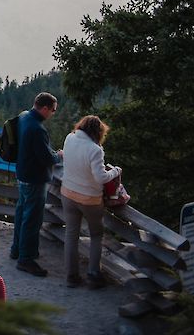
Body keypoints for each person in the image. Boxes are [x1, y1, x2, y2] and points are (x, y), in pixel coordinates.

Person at [61, 115, 121, 289]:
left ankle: (71, 277)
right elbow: (101, 177)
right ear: (98, 132)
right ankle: (94, 275)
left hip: (68, 193)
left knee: (71, 235)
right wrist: (115, 171)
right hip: (89, 199)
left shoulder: (69, 138)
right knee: (96, 235)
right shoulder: (95, 149)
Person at [10, 92, 63, 276]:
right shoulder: (38, 129)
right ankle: (26, 259)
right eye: (53, 110)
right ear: (45, 108)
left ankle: (16, 249)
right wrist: (59, 155)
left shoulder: (24, 116)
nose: (53, 114)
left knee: (21, 213)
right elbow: (46, 158)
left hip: (22, 173)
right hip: (35, 179)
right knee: (32, 220)